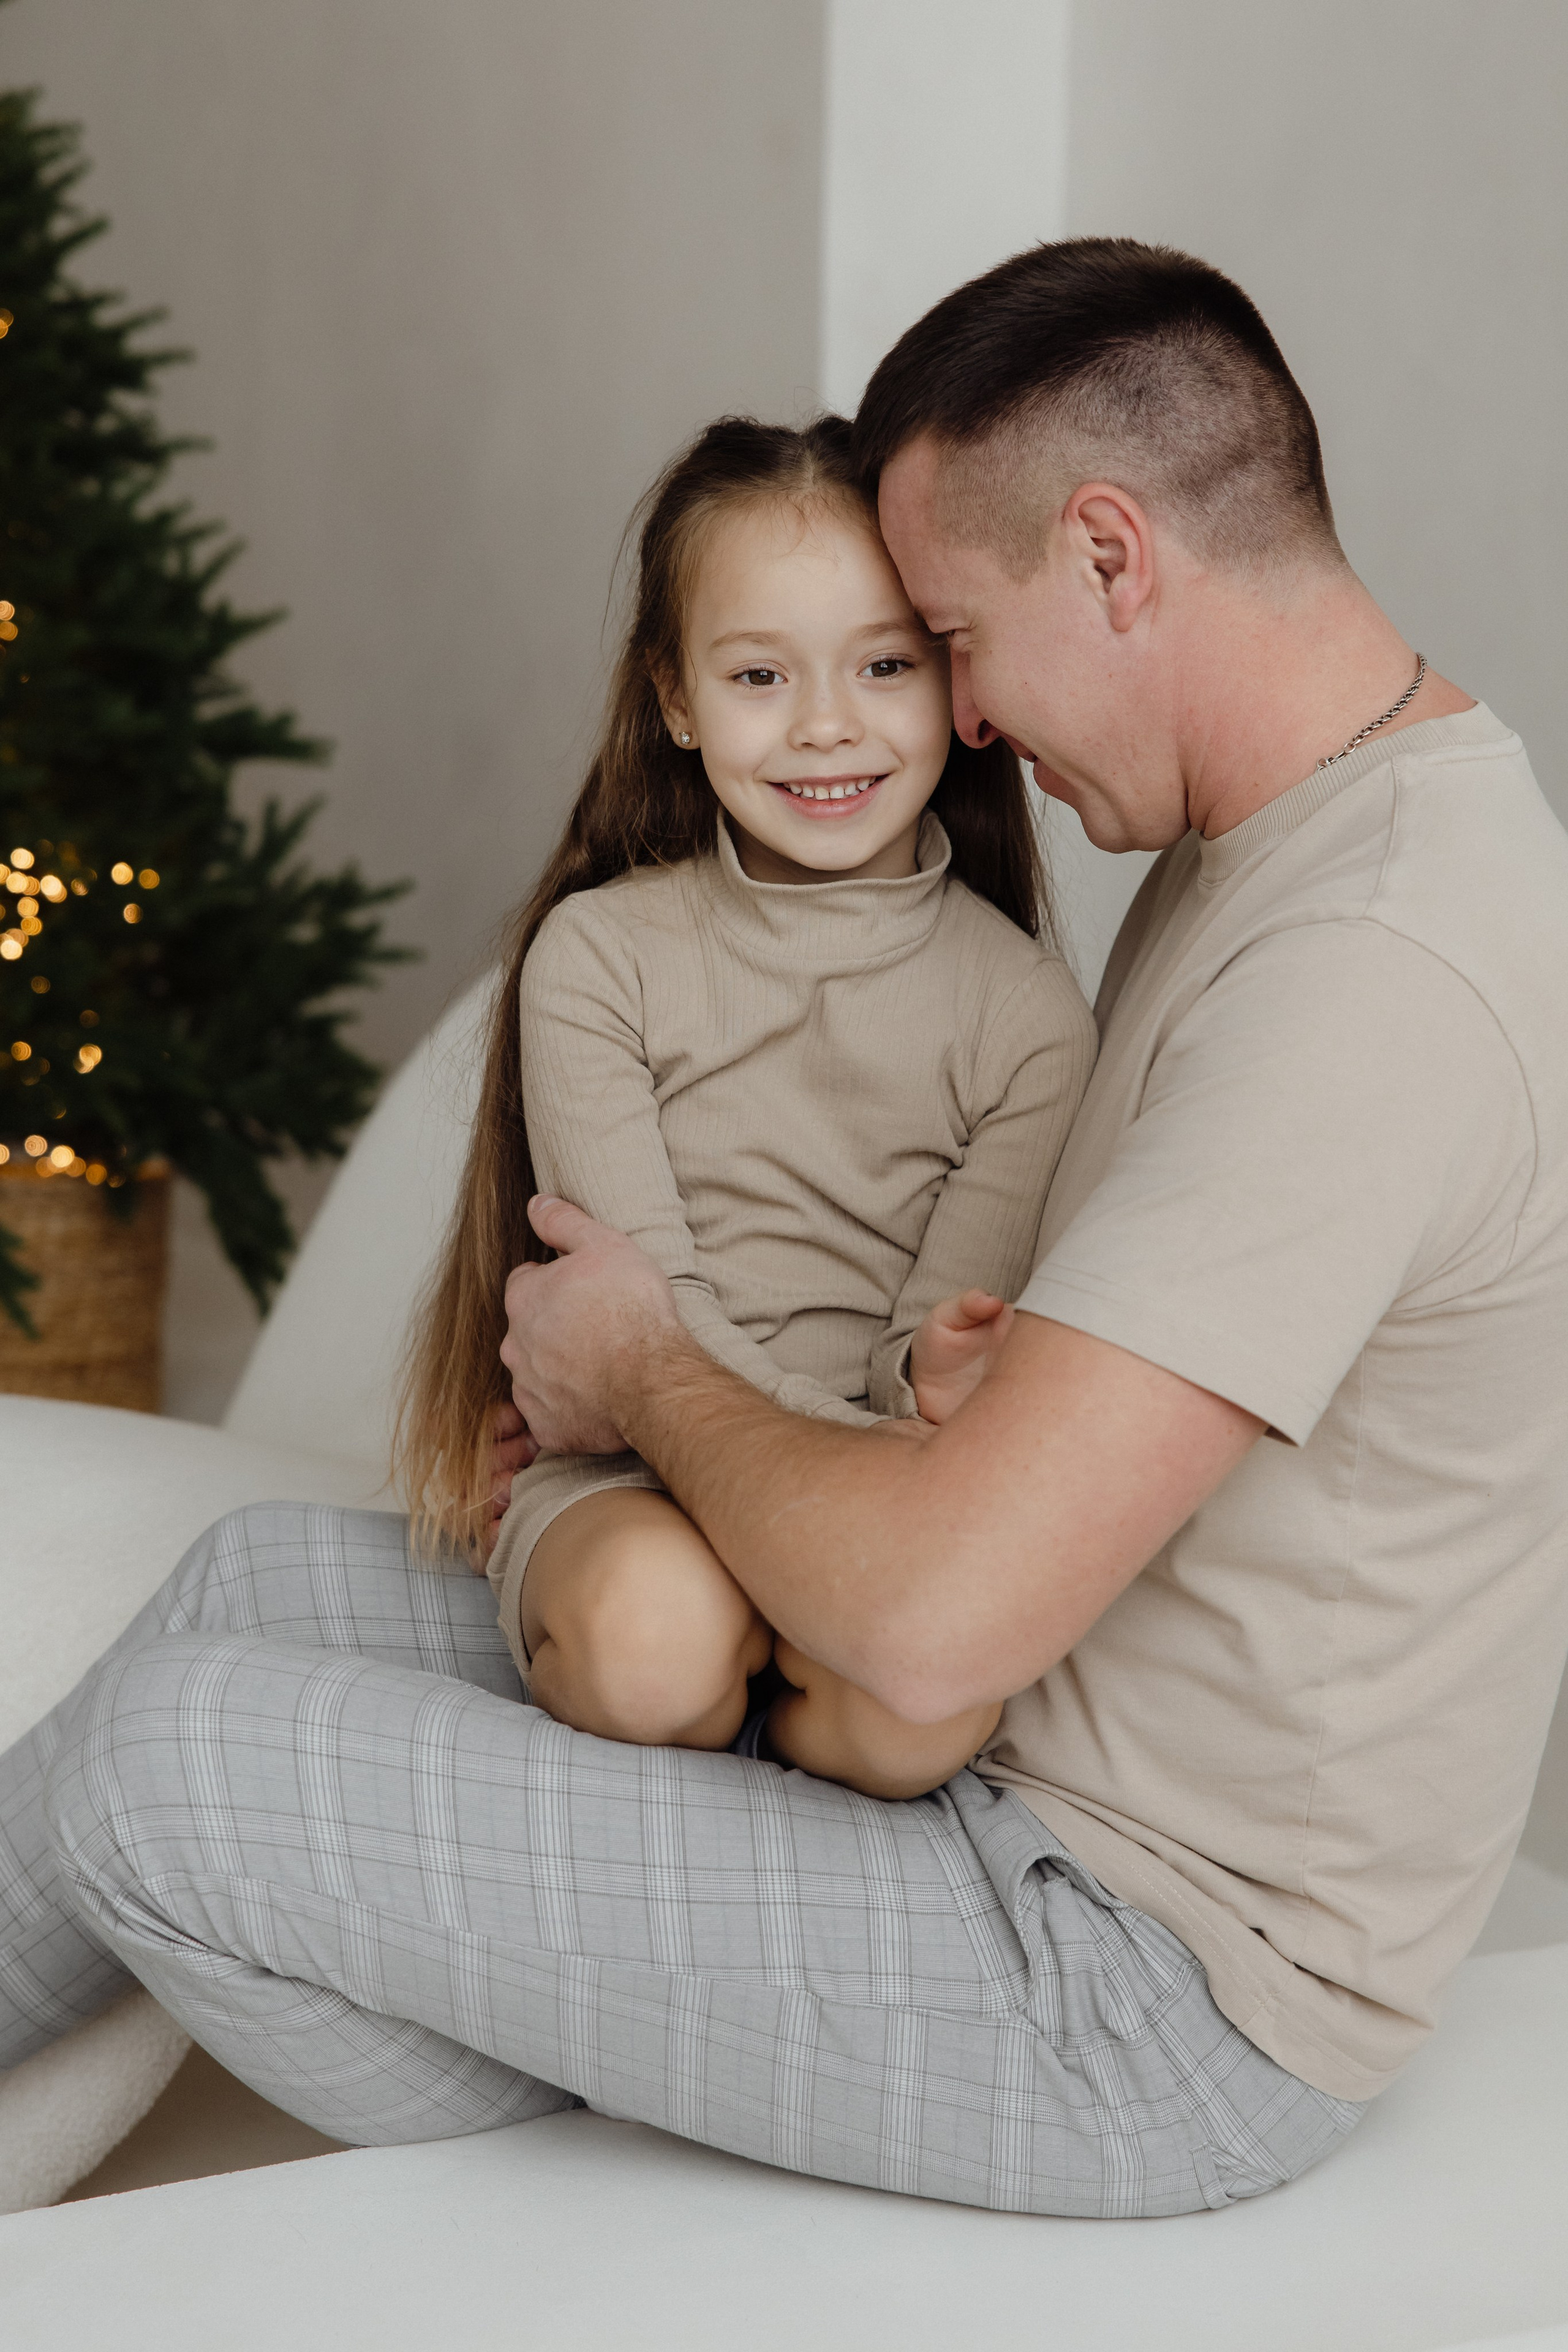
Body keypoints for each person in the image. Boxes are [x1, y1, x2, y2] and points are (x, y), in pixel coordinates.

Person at [8, 238, 1563, 2220]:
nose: (966, 723)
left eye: (949, 641)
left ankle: (572, 2022)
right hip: (972, 1748)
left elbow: (932, 1618)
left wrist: (645, 1374)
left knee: (177, 1759)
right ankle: (586, 2007)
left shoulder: (1375, 965)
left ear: (1111, 556)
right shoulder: (1261, 844)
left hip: (1125, 1964)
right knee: (243, 1592)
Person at [397, 413, 1094, 1796]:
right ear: (673, 698)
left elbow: (920, 1363)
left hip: (868, 1501)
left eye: (883, 665)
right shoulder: (599, 958)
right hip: (630, 1474)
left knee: (913, 1716)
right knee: (655, 1644)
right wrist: (820, 1457)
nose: (825, 724)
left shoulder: (1026, 1020)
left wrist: (934, 1392)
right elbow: (630, 1326)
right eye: (759, 674)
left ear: (956, 684)